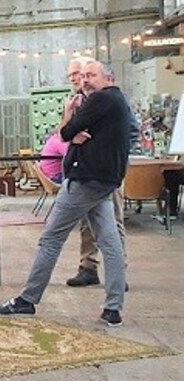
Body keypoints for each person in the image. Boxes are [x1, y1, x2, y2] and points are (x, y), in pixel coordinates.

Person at [0, 60, 130, 326]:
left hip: (85, 180)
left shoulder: (101, 100)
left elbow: (64, 132)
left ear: (108, 79)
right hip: (103, 181)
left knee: (51, 239)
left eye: (91, 75)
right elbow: (69, 135)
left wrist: (69, 117)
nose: (84, 80)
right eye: (81, 76)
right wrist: (72, 132)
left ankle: (27, 300)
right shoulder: (117, 102)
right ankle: (113, 309)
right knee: (109, 243)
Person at [68, 65, 135, 287]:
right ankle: (88, 267)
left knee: (113, 220)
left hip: (108, 172)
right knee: (87, 222)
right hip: (86, 172)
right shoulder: (79, 101)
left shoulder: (114, 100)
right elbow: (66, 133)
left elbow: (131, 130)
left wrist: (112, 153)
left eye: (84, 75)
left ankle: (118, 273)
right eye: (76, 76)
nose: (78, 79)